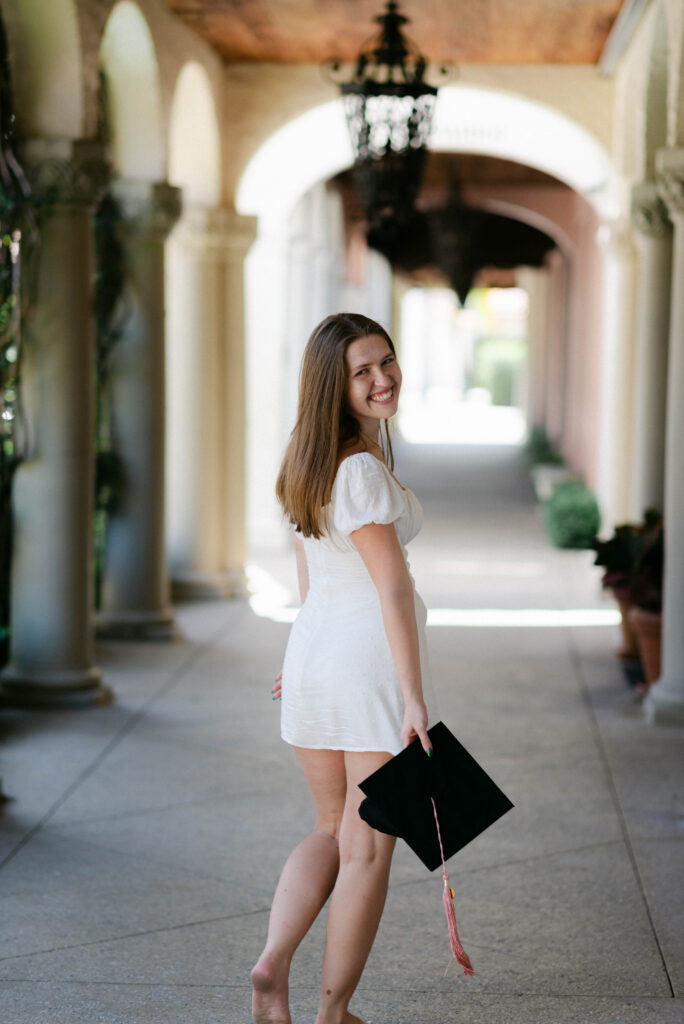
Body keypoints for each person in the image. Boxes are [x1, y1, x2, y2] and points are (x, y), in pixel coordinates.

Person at [250, 312, 438, 1024]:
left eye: (386, 361)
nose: (383, 378)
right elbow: (390, 584)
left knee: (332, 829)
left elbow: (310, 564)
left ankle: (274, 959)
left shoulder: (308, 458)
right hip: (366, 671)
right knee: (366, 851)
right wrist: (412, 698)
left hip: (315, 659)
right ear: (336, 382)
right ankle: (334, 1016)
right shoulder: (358, 466)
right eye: (363, 370)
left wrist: (303, 653)